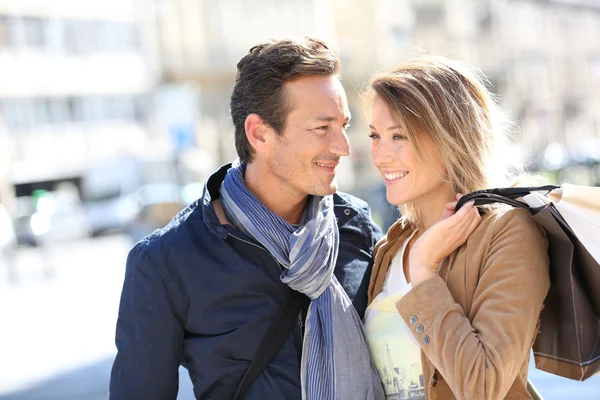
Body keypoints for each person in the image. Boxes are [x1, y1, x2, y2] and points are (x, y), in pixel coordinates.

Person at [110, 37, 385, 400]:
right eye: (322, 128)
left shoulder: (355, 227)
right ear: (259, 133)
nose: (343, 147)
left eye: (344, 126)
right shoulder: (166, 262)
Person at [362, 56, 550, 399]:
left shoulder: (508, 234)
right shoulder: (391, 246)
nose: (380, 155)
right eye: (375, 135)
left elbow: (483, 385)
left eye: (399, 136)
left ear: (452, 138)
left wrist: (424, 271)